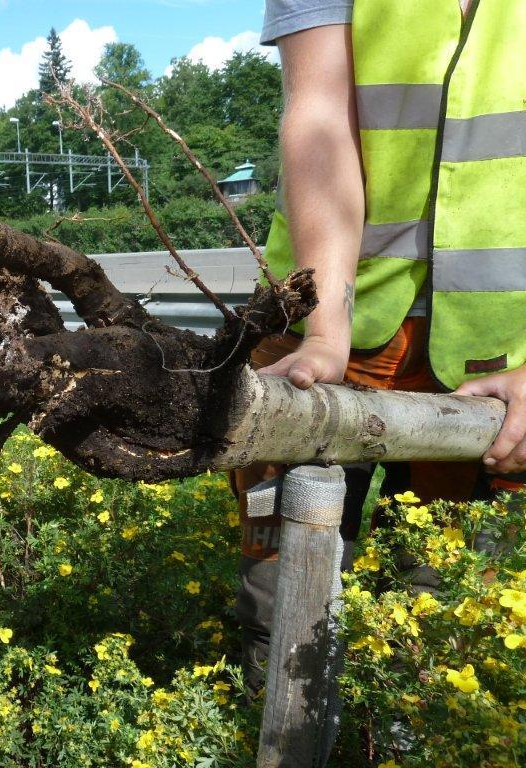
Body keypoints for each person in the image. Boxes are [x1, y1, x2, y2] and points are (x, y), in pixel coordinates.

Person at [236, 0, 526, 694]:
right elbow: (319, 115)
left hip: (505, 355)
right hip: (317, 324)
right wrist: (323, 329)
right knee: (281, 618)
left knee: (444, 622)